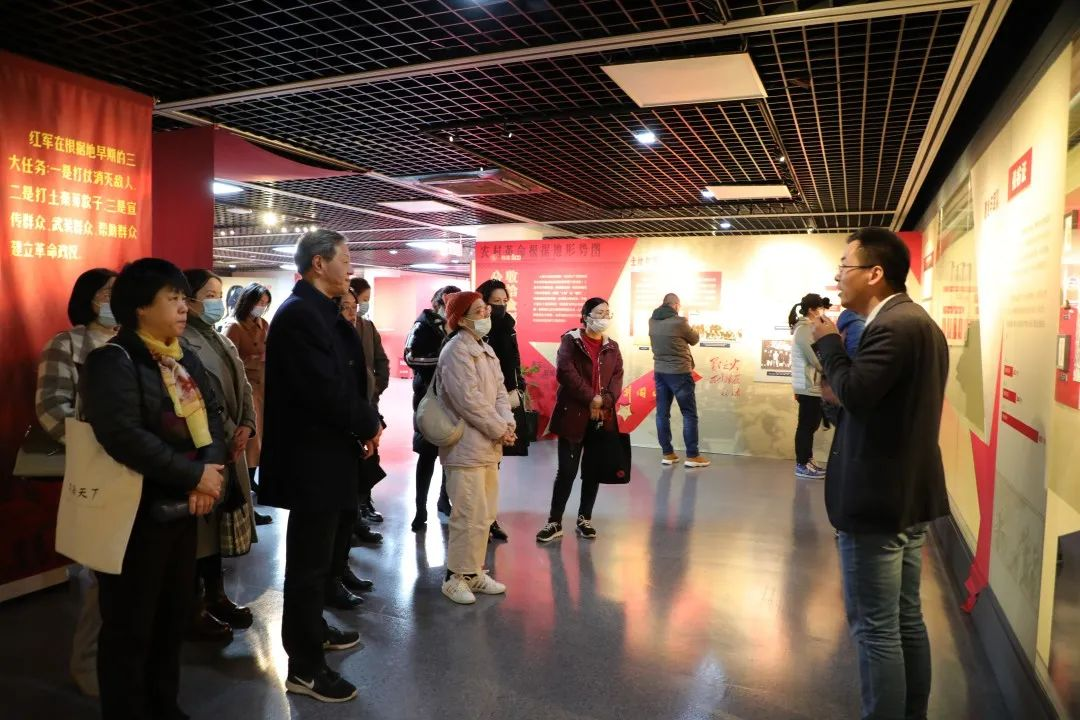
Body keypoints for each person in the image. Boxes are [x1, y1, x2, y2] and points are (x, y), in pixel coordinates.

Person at [811, 227, 950, 720]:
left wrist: (829, 344)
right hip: (905, 495)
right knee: (905, 619)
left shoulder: (893, 326)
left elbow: (856, 392)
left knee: (875, 629)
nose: (837, 277)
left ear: (874, 273)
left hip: (877, 499)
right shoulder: (917, 322)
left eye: (844, 267)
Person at [81, 258, 227, 720]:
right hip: (134, 515)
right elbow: (123, 435)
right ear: (141, 308)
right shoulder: (113, 360)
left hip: (183, 509)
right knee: (130, 626)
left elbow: (212, 417)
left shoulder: (183, 358)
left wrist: (209, 474)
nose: (184, 307)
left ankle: (165, 706)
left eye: (184, 298)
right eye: (173, 298)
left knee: (171, 619)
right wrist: (193, 476)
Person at [258, 230, 382, 704]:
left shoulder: (320, 311)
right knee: (308, 566)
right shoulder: (299, 315)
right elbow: (324, 390)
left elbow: (345, 382)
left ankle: (314, 630)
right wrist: (367, 422)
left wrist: (363, 425)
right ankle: (305, 667)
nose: (350, 267)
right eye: (345, 258)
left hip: (330, 452)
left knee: (323, 558)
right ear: (317, 263)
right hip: (311, 458)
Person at [35, 267, 117, 698]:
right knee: (101, 573)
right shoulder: (65, 345)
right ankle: (88, 662)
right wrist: (105, 440)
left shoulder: (134, 344)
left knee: (126, 575)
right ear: (88, 298)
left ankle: (122, 659)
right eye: (107, 292)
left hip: (138, 469)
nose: (114, 300)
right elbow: (52, 410)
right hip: (94, 467)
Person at [182, 270, 259, 642]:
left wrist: (247, 423)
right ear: (189, 300)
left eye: (219, 293)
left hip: (230, 444)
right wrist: (230, 432)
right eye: (209, 294)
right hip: (206, 448)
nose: (216, 301)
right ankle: (194, 606)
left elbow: (243, 386)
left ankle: (217, 595)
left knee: (215, 531)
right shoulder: (182, 340)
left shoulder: (218, 336)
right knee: (199, 533)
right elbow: (202, 399)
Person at [433, 291, 515, 604]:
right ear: (462, 318)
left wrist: (508, 423)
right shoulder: (456, 350)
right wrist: (499, 428)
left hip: (488, 446)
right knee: (466, 513)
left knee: (484, 514)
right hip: (465, 447)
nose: (487, 314)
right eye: (479, 310)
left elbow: (500, 393)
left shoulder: (486, 349)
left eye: (486, 309)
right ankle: (454, 577)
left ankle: (473, 572)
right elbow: (468, 401)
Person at [536, 297, 624, 543]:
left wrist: (604, 401)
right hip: (573, 415)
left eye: (607, 312)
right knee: (567, 471)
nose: (604, 317)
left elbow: (617, 378)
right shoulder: (571, 340)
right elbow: (566, 372)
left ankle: (585, 518)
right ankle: (554, 521)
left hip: (601, 417)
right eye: (599, 312)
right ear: (586, 316)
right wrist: (591, 398)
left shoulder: (612, 346)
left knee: (593, 471)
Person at [323, 287, 379, 611]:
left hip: (359, 428)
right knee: (333, 519)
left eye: (354, 307)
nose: (351, 312)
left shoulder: (360, 332)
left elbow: (371, 375)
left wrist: (372, 419)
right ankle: (331, 580)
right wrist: (366, 424)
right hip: (339, 437)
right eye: (344, 307)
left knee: (348, 511)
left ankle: (341, 570)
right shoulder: (328, 339)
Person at [404, 284, 460, 532]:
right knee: (426, 455)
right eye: (446, 305)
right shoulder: (422, 325)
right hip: (427, 396)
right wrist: (444, 360)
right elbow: (411, 358)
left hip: (453, 400)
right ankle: (420, 508)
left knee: (450, 454)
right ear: (436, 304)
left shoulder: (458, 327)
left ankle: (443, 499)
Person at [476, 278, 524, 542]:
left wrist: (518, 385)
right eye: (496, 302)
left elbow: (513, 360)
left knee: (494, 463)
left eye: (505, 301)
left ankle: (490, 519)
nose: (501, 306)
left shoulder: (509, 326)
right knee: (476, 466)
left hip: (502, 398)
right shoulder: (477, 330)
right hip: (480, 402)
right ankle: (473, 517)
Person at [221, 283, 273, 526]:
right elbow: (229, 363)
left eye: (265, 303)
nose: (261, 307)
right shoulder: (235, 327)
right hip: (247, 392)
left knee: (259, 444)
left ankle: (252, 487)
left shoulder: (264, 325)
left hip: (264, 390)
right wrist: (254, 360)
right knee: (250, 444)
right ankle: (247, 499)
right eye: (259, 302)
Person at [648, 292, 710, 468]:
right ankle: (692, 456)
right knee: (689, 414)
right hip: (680, 373)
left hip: (660, 372)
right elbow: (695, 339)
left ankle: (667, 454)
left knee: (662, 414)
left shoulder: (652, 321)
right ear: (675, 305)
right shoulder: (679, 322)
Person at [349, 277, 390, 527]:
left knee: (372, 450)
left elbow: (382, 360)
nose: (363, 305)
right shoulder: (337, 328)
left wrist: (377, 387)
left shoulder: (368, 326)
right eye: (362, 300)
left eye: (366, 301)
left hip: (369, 401)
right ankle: (354, 511)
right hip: (349, 403)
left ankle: (366, 501)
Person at [789, 293, 830, 479]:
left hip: (810, 385)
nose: (821, 312)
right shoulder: (804, 330)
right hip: (808, 385)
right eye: (819, 308)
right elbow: (816, 359)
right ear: (812, 310)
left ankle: (807, 460)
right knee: (806, 425)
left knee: (810, 425)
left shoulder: (805, 328)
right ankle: (802, 464)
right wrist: (829, 366)